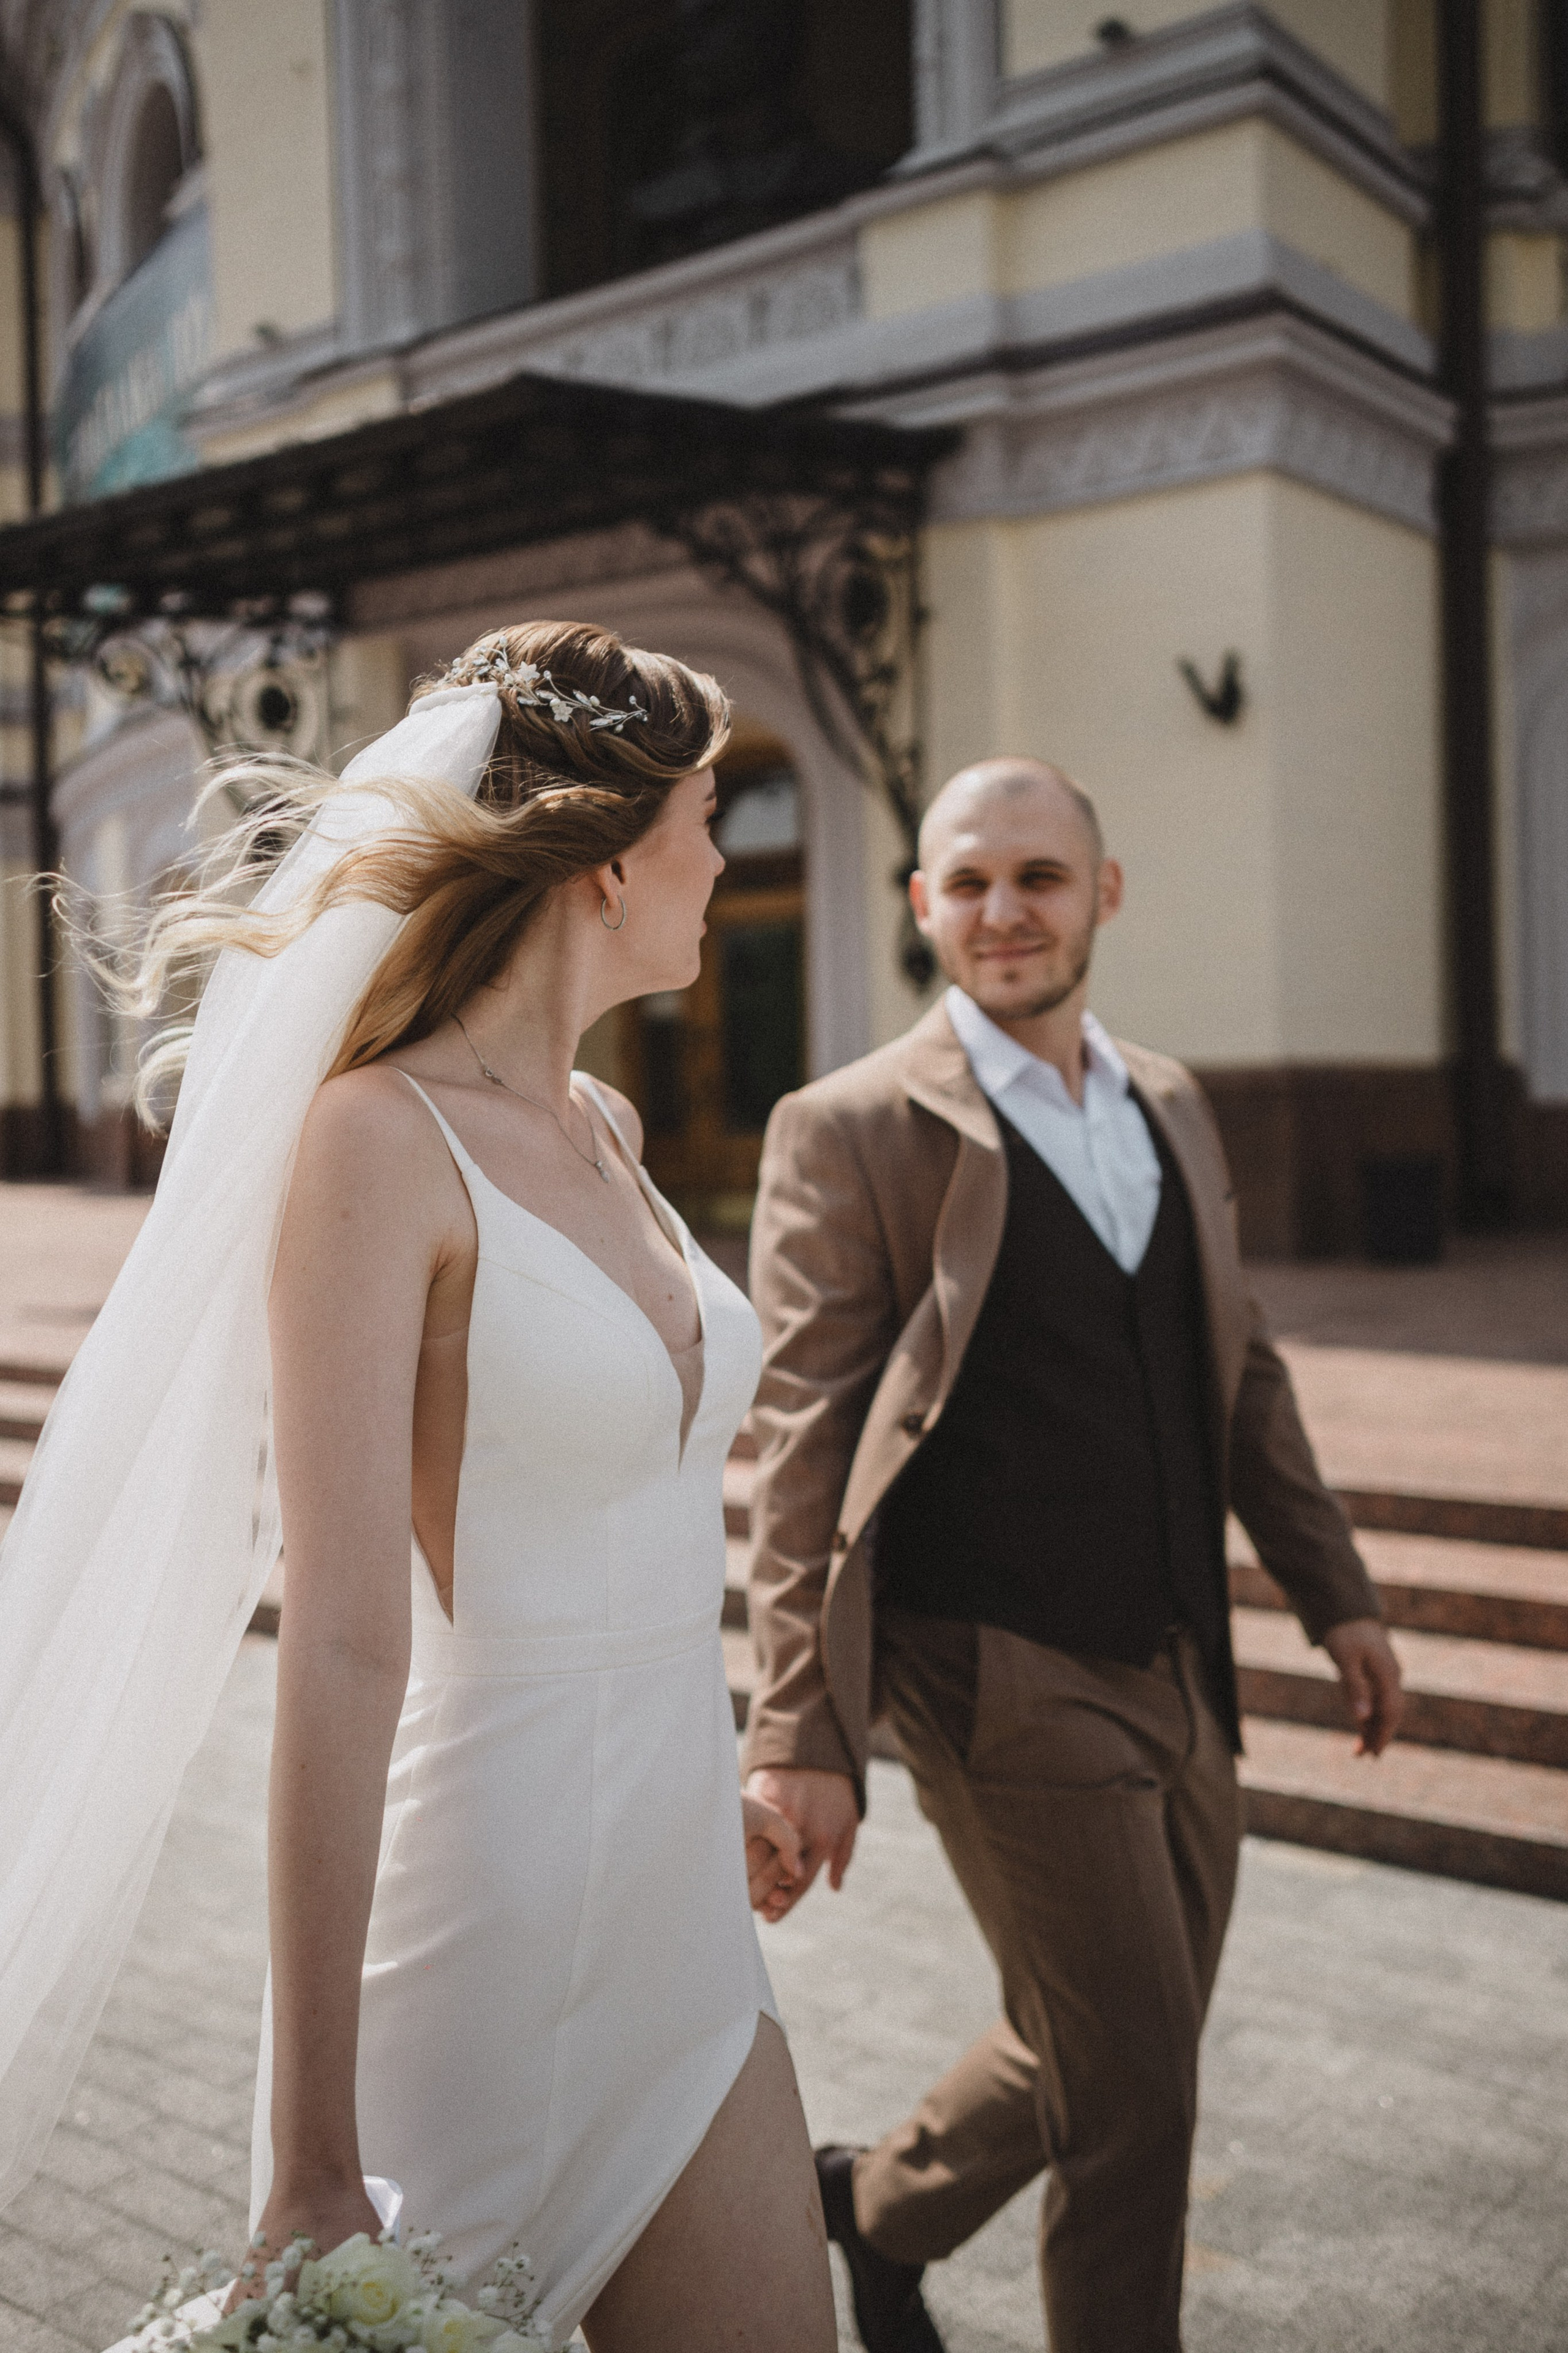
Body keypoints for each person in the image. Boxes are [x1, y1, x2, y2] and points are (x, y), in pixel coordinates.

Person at [0, 624, 835, 2353]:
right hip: (481, 1936)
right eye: (706, 822)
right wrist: (314, 2153)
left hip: (685, 1920)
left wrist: (707, 1763)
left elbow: (633, 1516)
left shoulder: (611, 1128)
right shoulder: (377, 1142)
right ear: (610, 861)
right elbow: (343, 1645)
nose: (722, 862)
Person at [741, 757, 1404, 2353]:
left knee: (1109, 2040)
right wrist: (797, 1723)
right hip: (998, 1671)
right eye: (968, 883)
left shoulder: (1168, 1097)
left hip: (1184, 1656)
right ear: (923, 906)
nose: (1003, 912)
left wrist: (1337, 1591)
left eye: (1038, 876)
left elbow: (1241, 1371)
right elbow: (803, 1439)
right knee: (1138, 2098)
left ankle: (879, 2207)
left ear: (1103, 892)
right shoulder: (850, 1127)